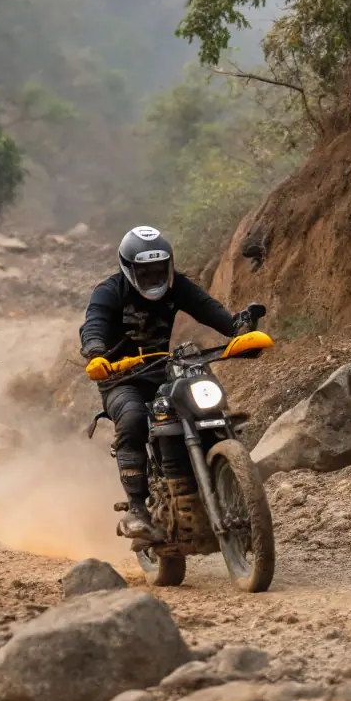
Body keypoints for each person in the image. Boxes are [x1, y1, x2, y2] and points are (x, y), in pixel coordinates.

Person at [79, 225, 261, 544]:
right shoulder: (109, 292)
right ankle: (137, 509)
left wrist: (238, 330)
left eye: (159, 269)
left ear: (169, 265)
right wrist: (96, 354)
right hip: (120, 377)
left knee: (207, 396)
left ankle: (226, 468)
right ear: (129, 268)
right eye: (145, 272)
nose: (153, 277)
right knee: (134, 417)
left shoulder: (179, 286)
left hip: (166, 368)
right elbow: (93, 324)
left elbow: (209, 309)